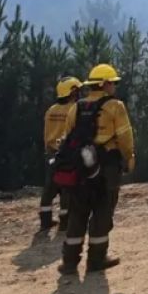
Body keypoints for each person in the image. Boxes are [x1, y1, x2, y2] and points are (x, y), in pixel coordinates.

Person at [58, 63, 135, 275]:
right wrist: (129, 158)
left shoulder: (77, 107)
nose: (115, 87)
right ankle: (97, 260)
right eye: (113, 83)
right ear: (105, 84)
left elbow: (67, 136)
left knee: (77, 212)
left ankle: (69, 262)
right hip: (107, 165)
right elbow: (125, 137)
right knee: (103, 212)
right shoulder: (115, 106)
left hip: (81, 167)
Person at [39, 76, 82, 232]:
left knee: (49, 188)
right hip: (66, 152)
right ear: (72, 92)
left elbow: (45, 133)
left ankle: (45, 221)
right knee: (67, 187)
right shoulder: (75, 109)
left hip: (51, 152)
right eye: (77, 90)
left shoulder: (51, 110)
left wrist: (48, 150)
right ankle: (65, 221)